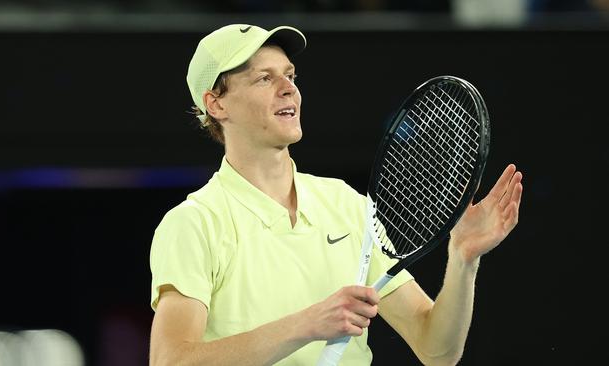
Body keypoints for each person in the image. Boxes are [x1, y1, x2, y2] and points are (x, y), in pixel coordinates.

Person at [148, 24, 523, 366]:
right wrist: (306, 324)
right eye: (264, 78)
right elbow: (171, 361)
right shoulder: (194, 223)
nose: (288, 87)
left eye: (290, 76)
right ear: (216, 103)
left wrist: (462, 260)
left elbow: (437, 350)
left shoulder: (345, 204)